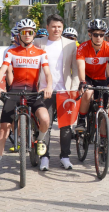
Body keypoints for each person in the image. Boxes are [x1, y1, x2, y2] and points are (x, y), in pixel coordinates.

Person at [0, 18, 53, 185]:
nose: (27, 35)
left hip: (33, 93)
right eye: (24, 32)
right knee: (3, 132)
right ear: (19, 35)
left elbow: (48, 73)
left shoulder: (41, 53)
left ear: (34, 34)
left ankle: (40, 141)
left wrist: (49, 86)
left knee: (45, 119)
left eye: (30, 32)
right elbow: (3, 71)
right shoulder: (12, 52)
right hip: (14, 92)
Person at [34, 14, 79, 171]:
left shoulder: (70, 44)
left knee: (65, 126)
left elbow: (75, 70)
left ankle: (65, 157)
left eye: (59, 27)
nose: (56, 29)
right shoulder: (38, 43)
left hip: (64, 91)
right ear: (47, 27)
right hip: (44, 91)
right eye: (53, 26)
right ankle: (44, 157)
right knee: (45, 124)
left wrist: (73, 89)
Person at [75, 19, 109, 131]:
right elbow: (80, 67)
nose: (98, 37)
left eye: (101, 34)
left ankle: (103, 140)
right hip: (87, 77)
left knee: (103, 105)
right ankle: (81, 119)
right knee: (88, 93)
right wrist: (82, 81)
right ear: (90, 34)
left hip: (101, 77)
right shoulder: (83, 47)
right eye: (95, 34)